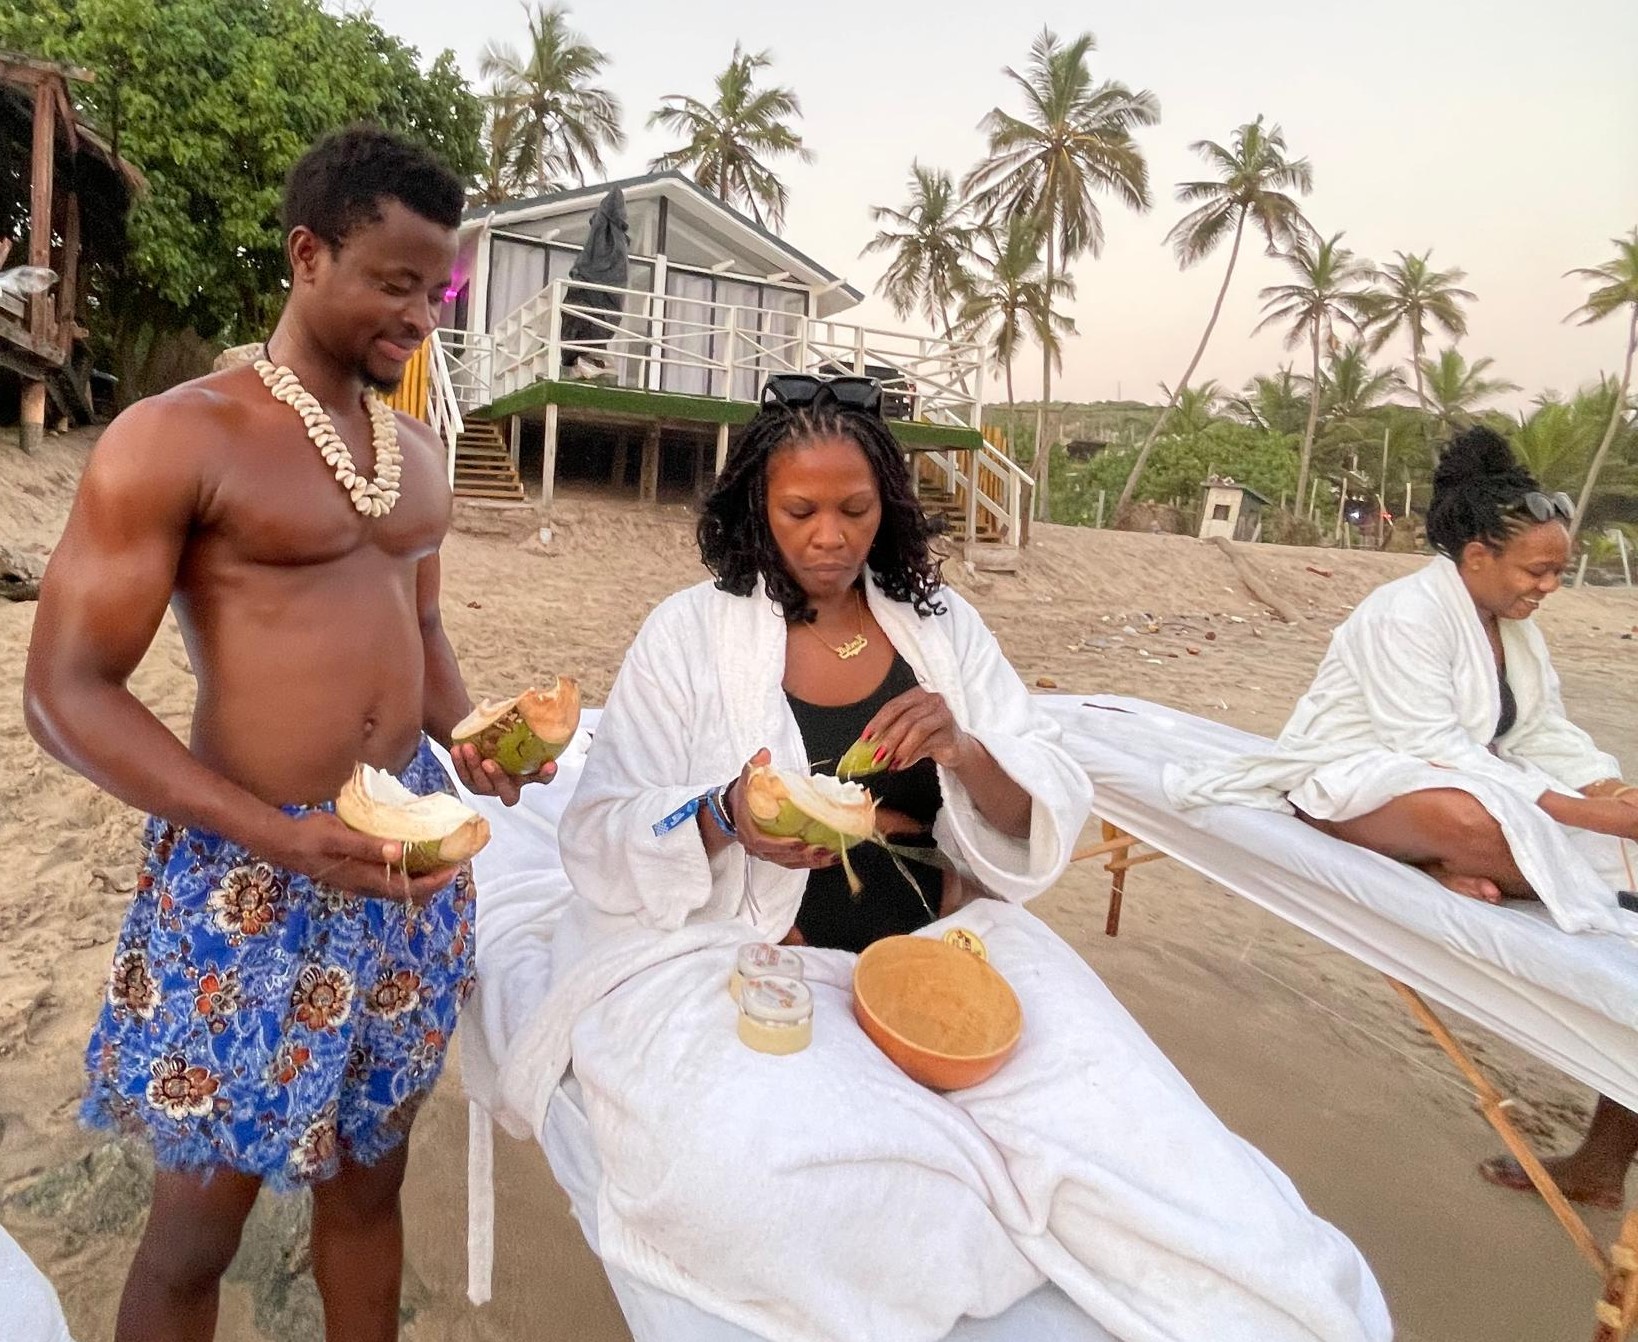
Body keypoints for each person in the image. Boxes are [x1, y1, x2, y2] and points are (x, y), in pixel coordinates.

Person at [544, 375, 1390, 1342]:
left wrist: (964, 748)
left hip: (950, 940)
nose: (830, 536)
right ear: (754, 509)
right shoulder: (690, 634)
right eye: (801, 511)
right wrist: (726, 814)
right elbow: (605, 821)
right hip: (760, 955)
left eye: (855, 509)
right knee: (759, 1181)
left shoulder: (941, 631)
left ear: (887, 508)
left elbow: (1040, 804)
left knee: (1166, 1159)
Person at [23, 126, 548, 1342]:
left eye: (440, 288)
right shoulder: (181, 436)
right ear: (308, 255)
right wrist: (276, 833)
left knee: (371, 1185)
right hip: (244, 886)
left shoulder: (416, 456)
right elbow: (64, 692)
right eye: (394, 281)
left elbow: (417, 636)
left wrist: (470, 737)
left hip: (405, 873)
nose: (422, 315)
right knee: (195, 1234)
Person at [1168, 424, 1635, 1209]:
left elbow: (1541, 730)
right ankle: (1428, 855)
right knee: (1475, 824)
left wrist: (1607, 787)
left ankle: (1599, 1163)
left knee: (1570, 844)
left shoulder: (1512, 625)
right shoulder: (1405, 613)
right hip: (1353, 775)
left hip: (1450, 776)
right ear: (1476, 556)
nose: (1548, 587)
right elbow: (1434, 746)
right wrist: (1590, 817)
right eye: (1539, 571)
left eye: (1557, 572)